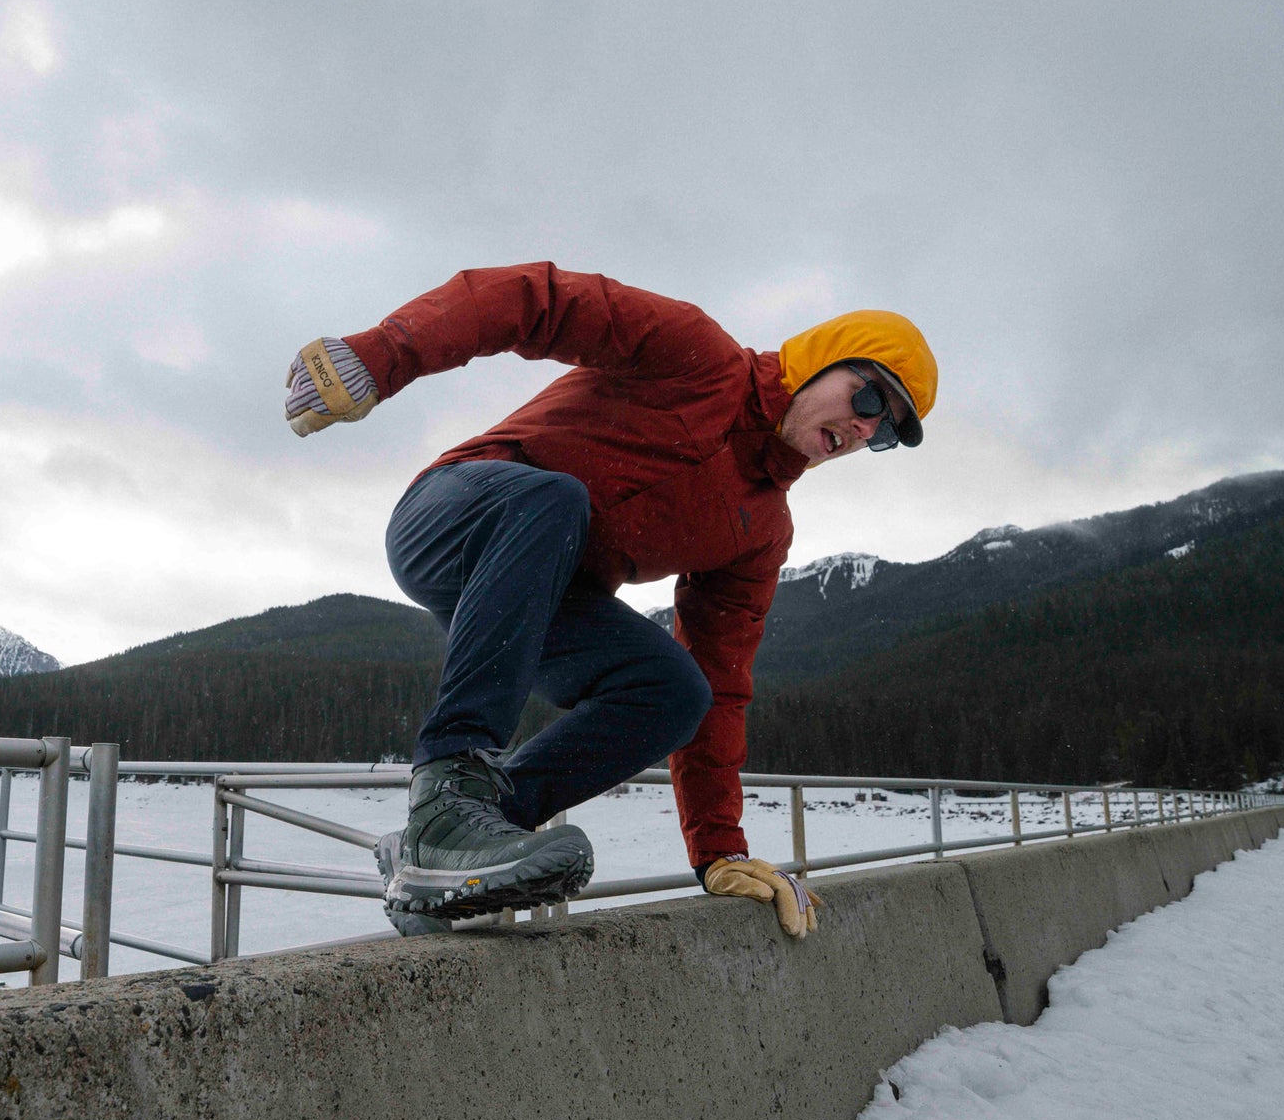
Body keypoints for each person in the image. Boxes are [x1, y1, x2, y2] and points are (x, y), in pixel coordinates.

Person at [284, 263, 936, 939]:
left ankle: (462, 841)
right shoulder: (694, 354)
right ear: (822, 361)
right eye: (867, 402)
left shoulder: (760, 530)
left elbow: (724, 684)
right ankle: (447, 790)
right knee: (553, 496)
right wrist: (381, 354)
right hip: (454, 517)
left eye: (883, 433)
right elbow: (533, 300)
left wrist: (720, 850)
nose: (865, 431)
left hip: (535, 602)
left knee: (679, 691)